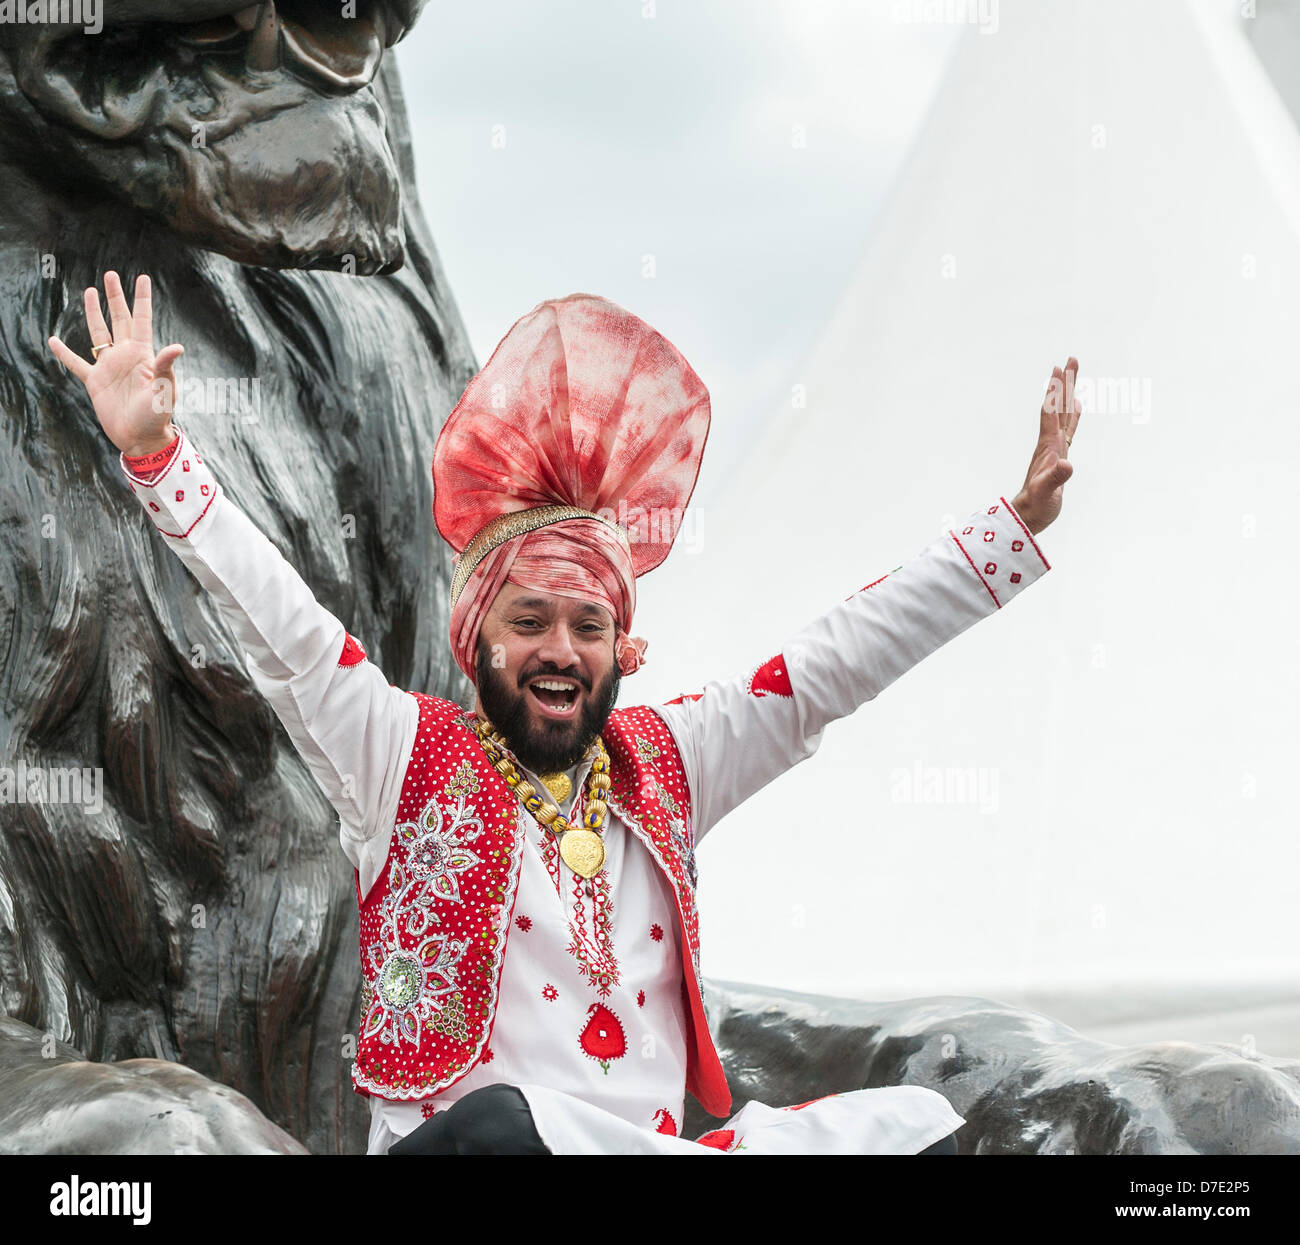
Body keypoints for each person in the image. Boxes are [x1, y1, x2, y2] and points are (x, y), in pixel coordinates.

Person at [49, 271, 1080, 1156]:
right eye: (530, 620)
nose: (559, 650)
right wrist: (160, 460)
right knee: (507, 1126)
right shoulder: (403, 753)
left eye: (587, 625)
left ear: (617, 648)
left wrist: (1006, 534)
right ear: (479, 640)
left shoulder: (668, 762)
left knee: (911, 1120)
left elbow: (828, 667)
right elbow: (284, 628)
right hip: (479, 1155)